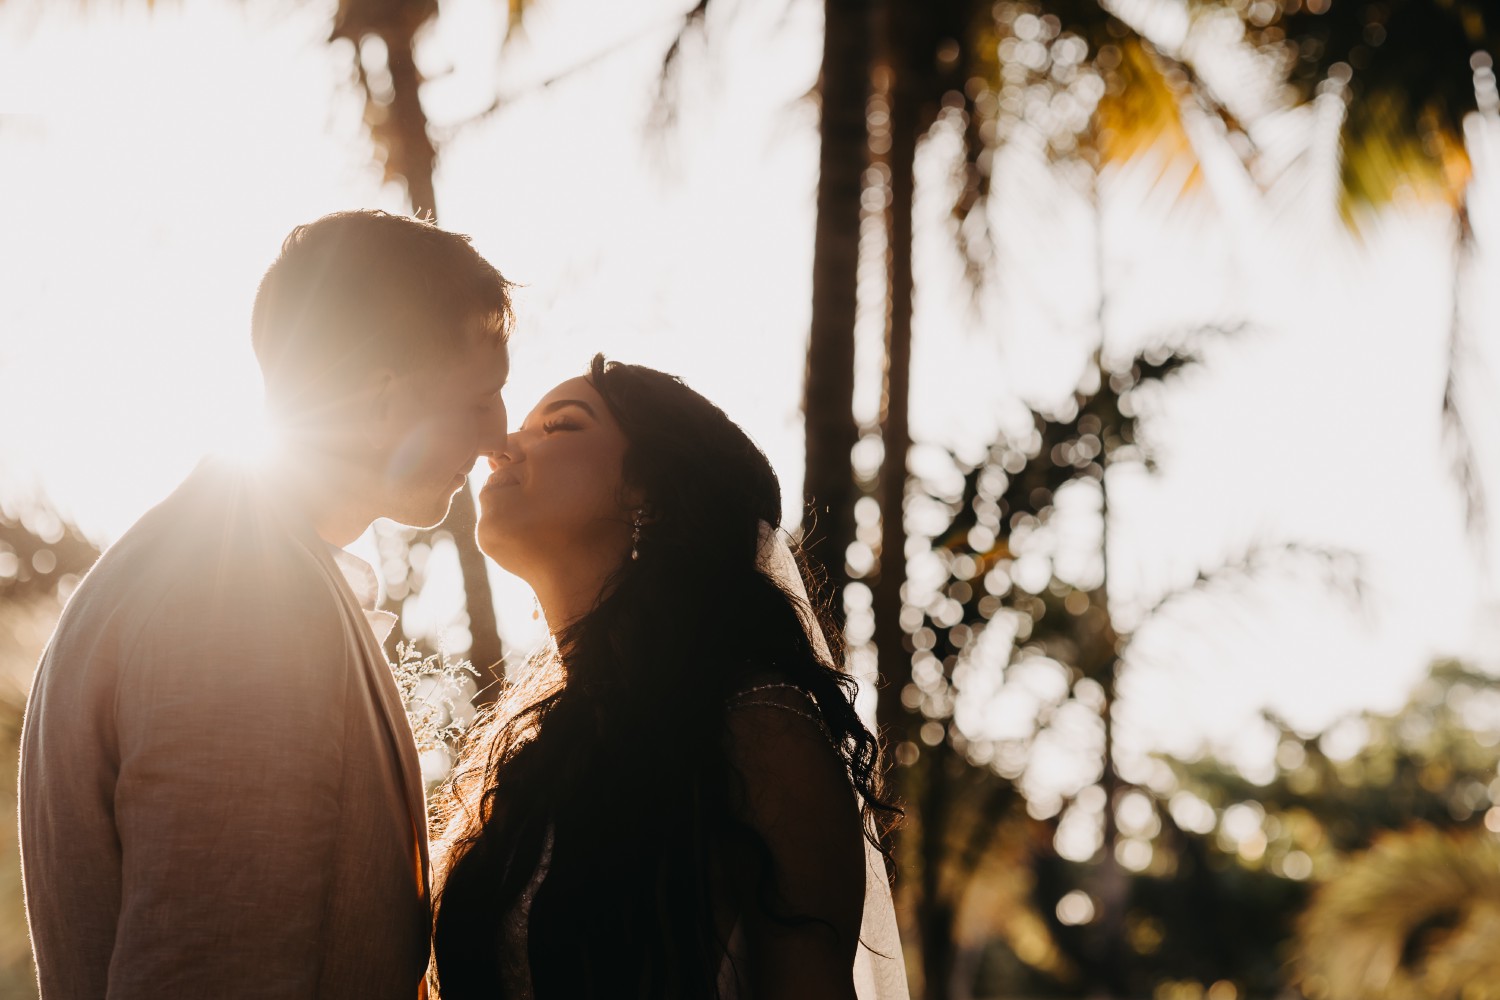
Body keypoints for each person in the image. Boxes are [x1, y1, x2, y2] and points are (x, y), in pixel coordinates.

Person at [18, 210, 514, 1000]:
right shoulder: (238, 598)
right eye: (482, 396)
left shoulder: (235, 564)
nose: (501, 434)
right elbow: (213, 971)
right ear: (384, 399)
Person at [429, 356, 909, 1000]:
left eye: (561, 426)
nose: (501, 444)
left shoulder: (759, 728)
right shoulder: (531, 759)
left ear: (648, 496)